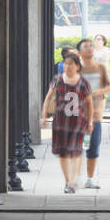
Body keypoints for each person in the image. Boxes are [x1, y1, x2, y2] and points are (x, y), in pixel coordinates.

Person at [41, 49, 93, 194]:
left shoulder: (83, 83)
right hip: (61, 121)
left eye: (70, 64)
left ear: (77, 66)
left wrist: (90, 122)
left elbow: (89, 103)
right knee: (64, 153)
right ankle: (67, 180)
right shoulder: (57, 79)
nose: (67, 66)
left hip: (78, 121)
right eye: (65, 63)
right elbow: (48, 97)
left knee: (76, 152)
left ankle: (71, 182)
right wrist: (44, 114)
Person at [75, 38, 110, 189]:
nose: (90, 48)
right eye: (86, 47)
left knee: (92, 147)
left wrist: (99, 92)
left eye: (91, 46)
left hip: (95, 115)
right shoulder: (76, 68)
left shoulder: (101, 67)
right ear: (79, 52)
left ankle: (89, 180)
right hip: (77, 115)